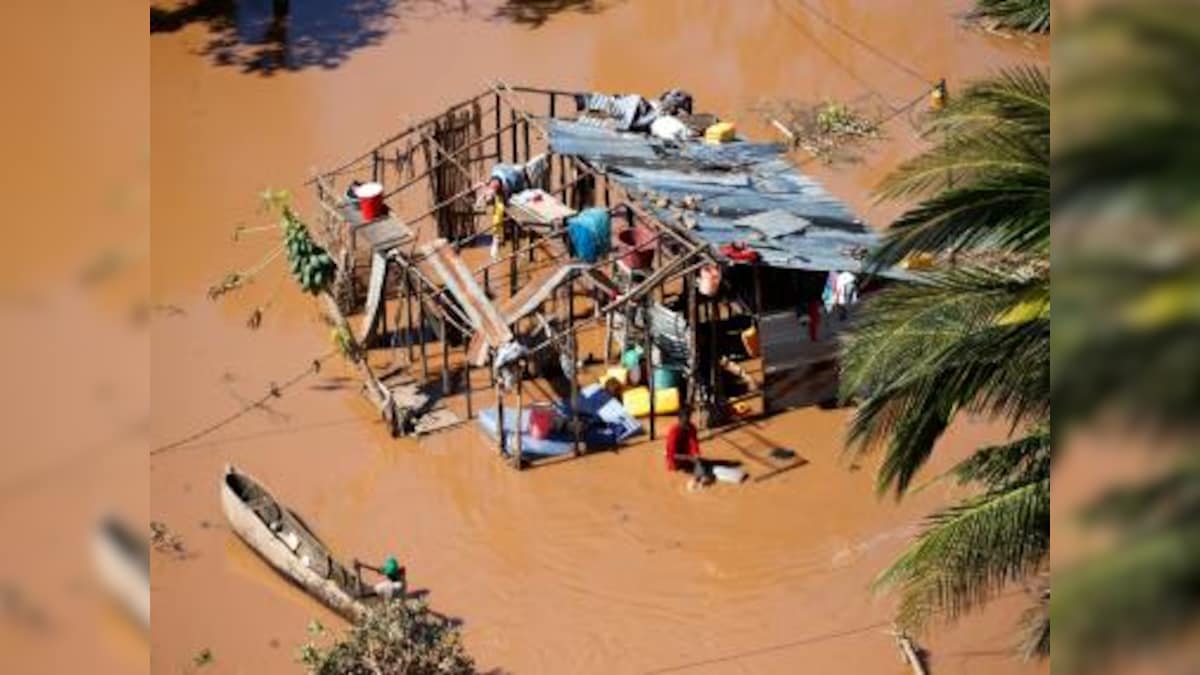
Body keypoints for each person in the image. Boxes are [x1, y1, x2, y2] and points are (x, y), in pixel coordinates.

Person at [664, 406, 704, 481]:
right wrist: (688, 458)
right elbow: (671, 454)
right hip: (676, 460)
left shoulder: (692, 428)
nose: (688, 422)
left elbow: (694, 444)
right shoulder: (673, 431)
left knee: (699, 465)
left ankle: (697, 474)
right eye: (685, 420)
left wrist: (696, 455)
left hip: (687, 456)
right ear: (680, 419)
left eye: (689, 419)